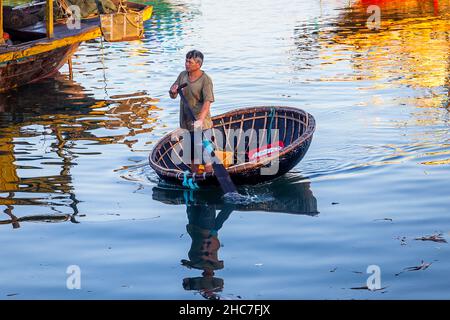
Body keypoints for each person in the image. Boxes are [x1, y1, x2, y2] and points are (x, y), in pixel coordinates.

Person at [169, 50, 215, 173]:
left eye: (190, 62)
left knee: (205, 156)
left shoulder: (205, 80)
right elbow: (172, 93)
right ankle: (195, 177)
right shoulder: (182, 75)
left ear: (198, 65)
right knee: (192, 156)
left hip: (201, 125)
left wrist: (200, 120)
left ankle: (209, 176)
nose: (186, 63)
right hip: (186, 123)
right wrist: (173, 91)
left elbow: (207, 102)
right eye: (186, 61)